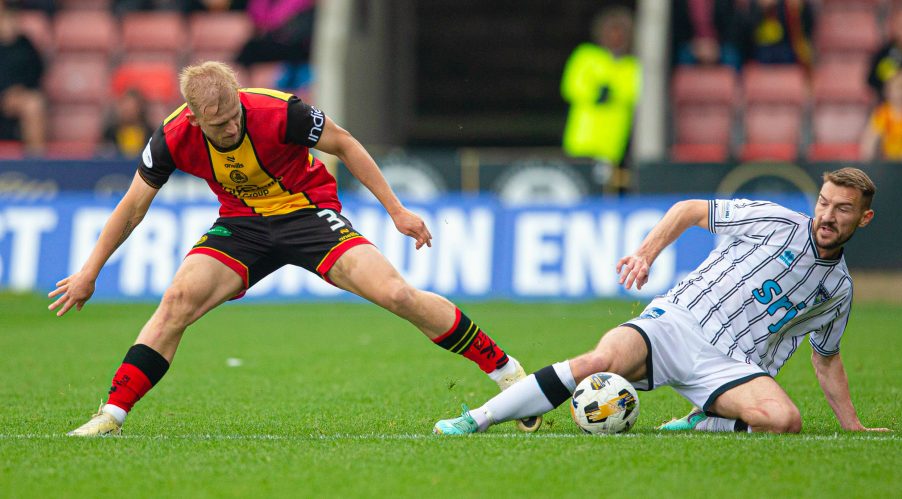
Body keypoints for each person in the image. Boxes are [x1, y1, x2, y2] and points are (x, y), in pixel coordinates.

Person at [51, 61, 540, 436]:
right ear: (196, 119)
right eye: (217, 125)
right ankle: (111, 415)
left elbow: (345, 143)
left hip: (309, 215)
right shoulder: (172, 138)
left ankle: (506, 372)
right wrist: (89, 271)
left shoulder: (277, 111)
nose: (229, 130)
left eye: (232, 118)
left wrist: (396, 210)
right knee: (176, 303)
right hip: (242, 226)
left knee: (396, 294)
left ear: (239, 101)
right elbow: (132, 207)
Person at [435, 167, 891, 435]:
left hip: (731, 367)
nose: (827, 216)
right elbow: (690, 210)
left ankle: (703, 418)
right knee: (600, 359)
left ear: (864, 218)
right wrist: (645, 253)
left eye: (842, 209)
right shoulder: (776, 221)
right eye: (824, 203)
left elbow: (826, 359)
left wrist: (851, 425)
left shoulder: (838, 291)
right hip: (677, 322)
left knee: (784, 420)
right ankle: (477, 419)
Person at [560, 6, 642, 171]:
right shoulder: (586, 56)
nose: (615, 37)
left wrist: (613, 93)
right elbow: (571, 86)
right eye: (611, 31)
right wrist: (595, 93)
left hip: (612, 143)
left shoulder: (632, 65)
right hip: (581, 139)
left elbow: (634, 93)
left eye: (620, 32)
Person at [0, 1, 45, 156]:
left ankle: (36, 163)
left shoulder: (23, 43)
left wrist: (19, 91)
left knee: (33, 104)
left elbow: (36, 71)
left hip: (17, 99)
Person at [740, 0, 814, 68]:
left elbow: (798, 31)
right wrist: (762, 10)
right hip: (761, 48)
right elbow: (749, 32)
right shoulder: (755, 6)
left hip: (785, 47)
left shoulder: (786, 7)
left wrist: (794, 11)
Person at [672, 0, 743, 69]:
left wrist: (715, 46)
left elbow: (730, 27)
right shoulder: (680, 2)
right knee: (683, 56)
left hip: (718, 45)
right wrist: (695, 46)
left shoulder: (725, 2)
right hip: (692, 45)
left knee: (731, 56)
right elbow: (677, 28)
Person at [101, 89, 156, 159]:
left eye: (132, 107)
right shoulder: (111, 132)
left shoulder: (150, 133)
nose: (128, 110)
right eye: (125, 106)